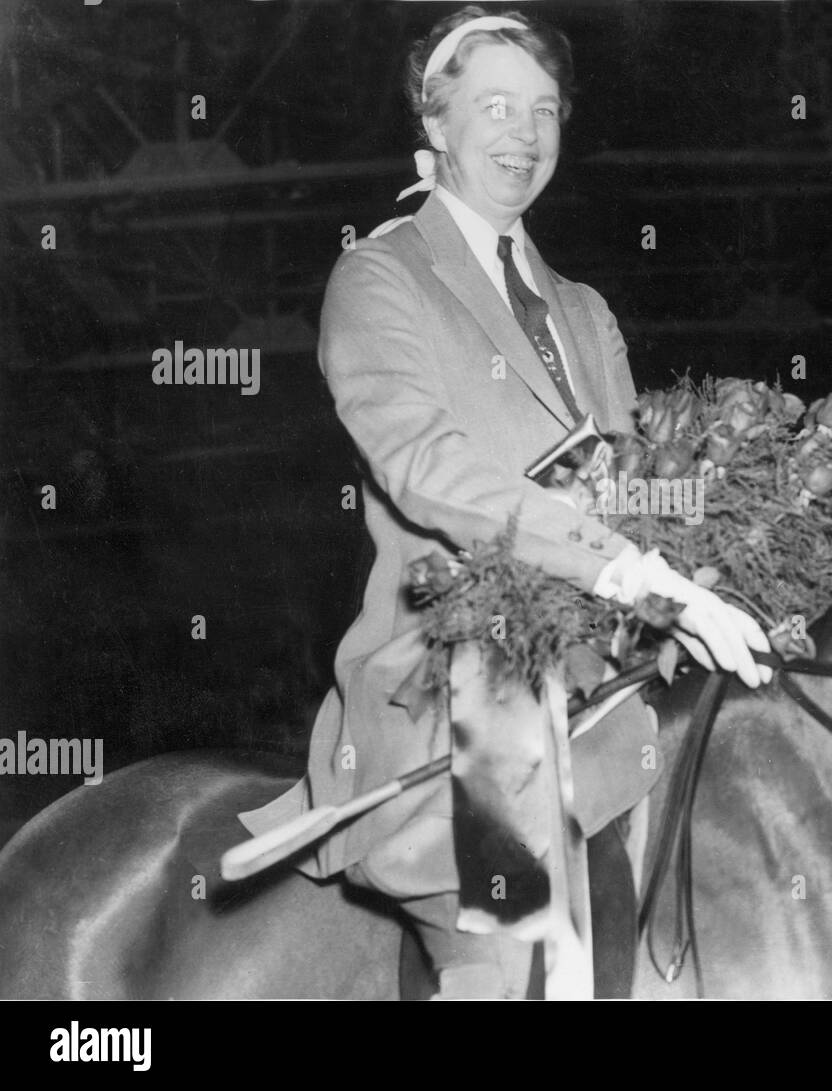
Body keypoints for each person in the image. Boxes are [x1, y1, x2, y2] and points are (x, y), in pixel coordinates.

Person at [240, 5, 771, 999]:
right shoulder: (378, 277)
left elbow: (637, 489)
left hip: (611, 690)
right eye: (493, 107)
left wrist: (716, 571)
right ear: (436, 124)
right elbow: (427, 467)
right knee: (508, 954)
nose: (524, 135)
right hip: (456, 698)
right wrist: (626, 567)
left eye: (545, 110)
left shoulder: (583, 310)